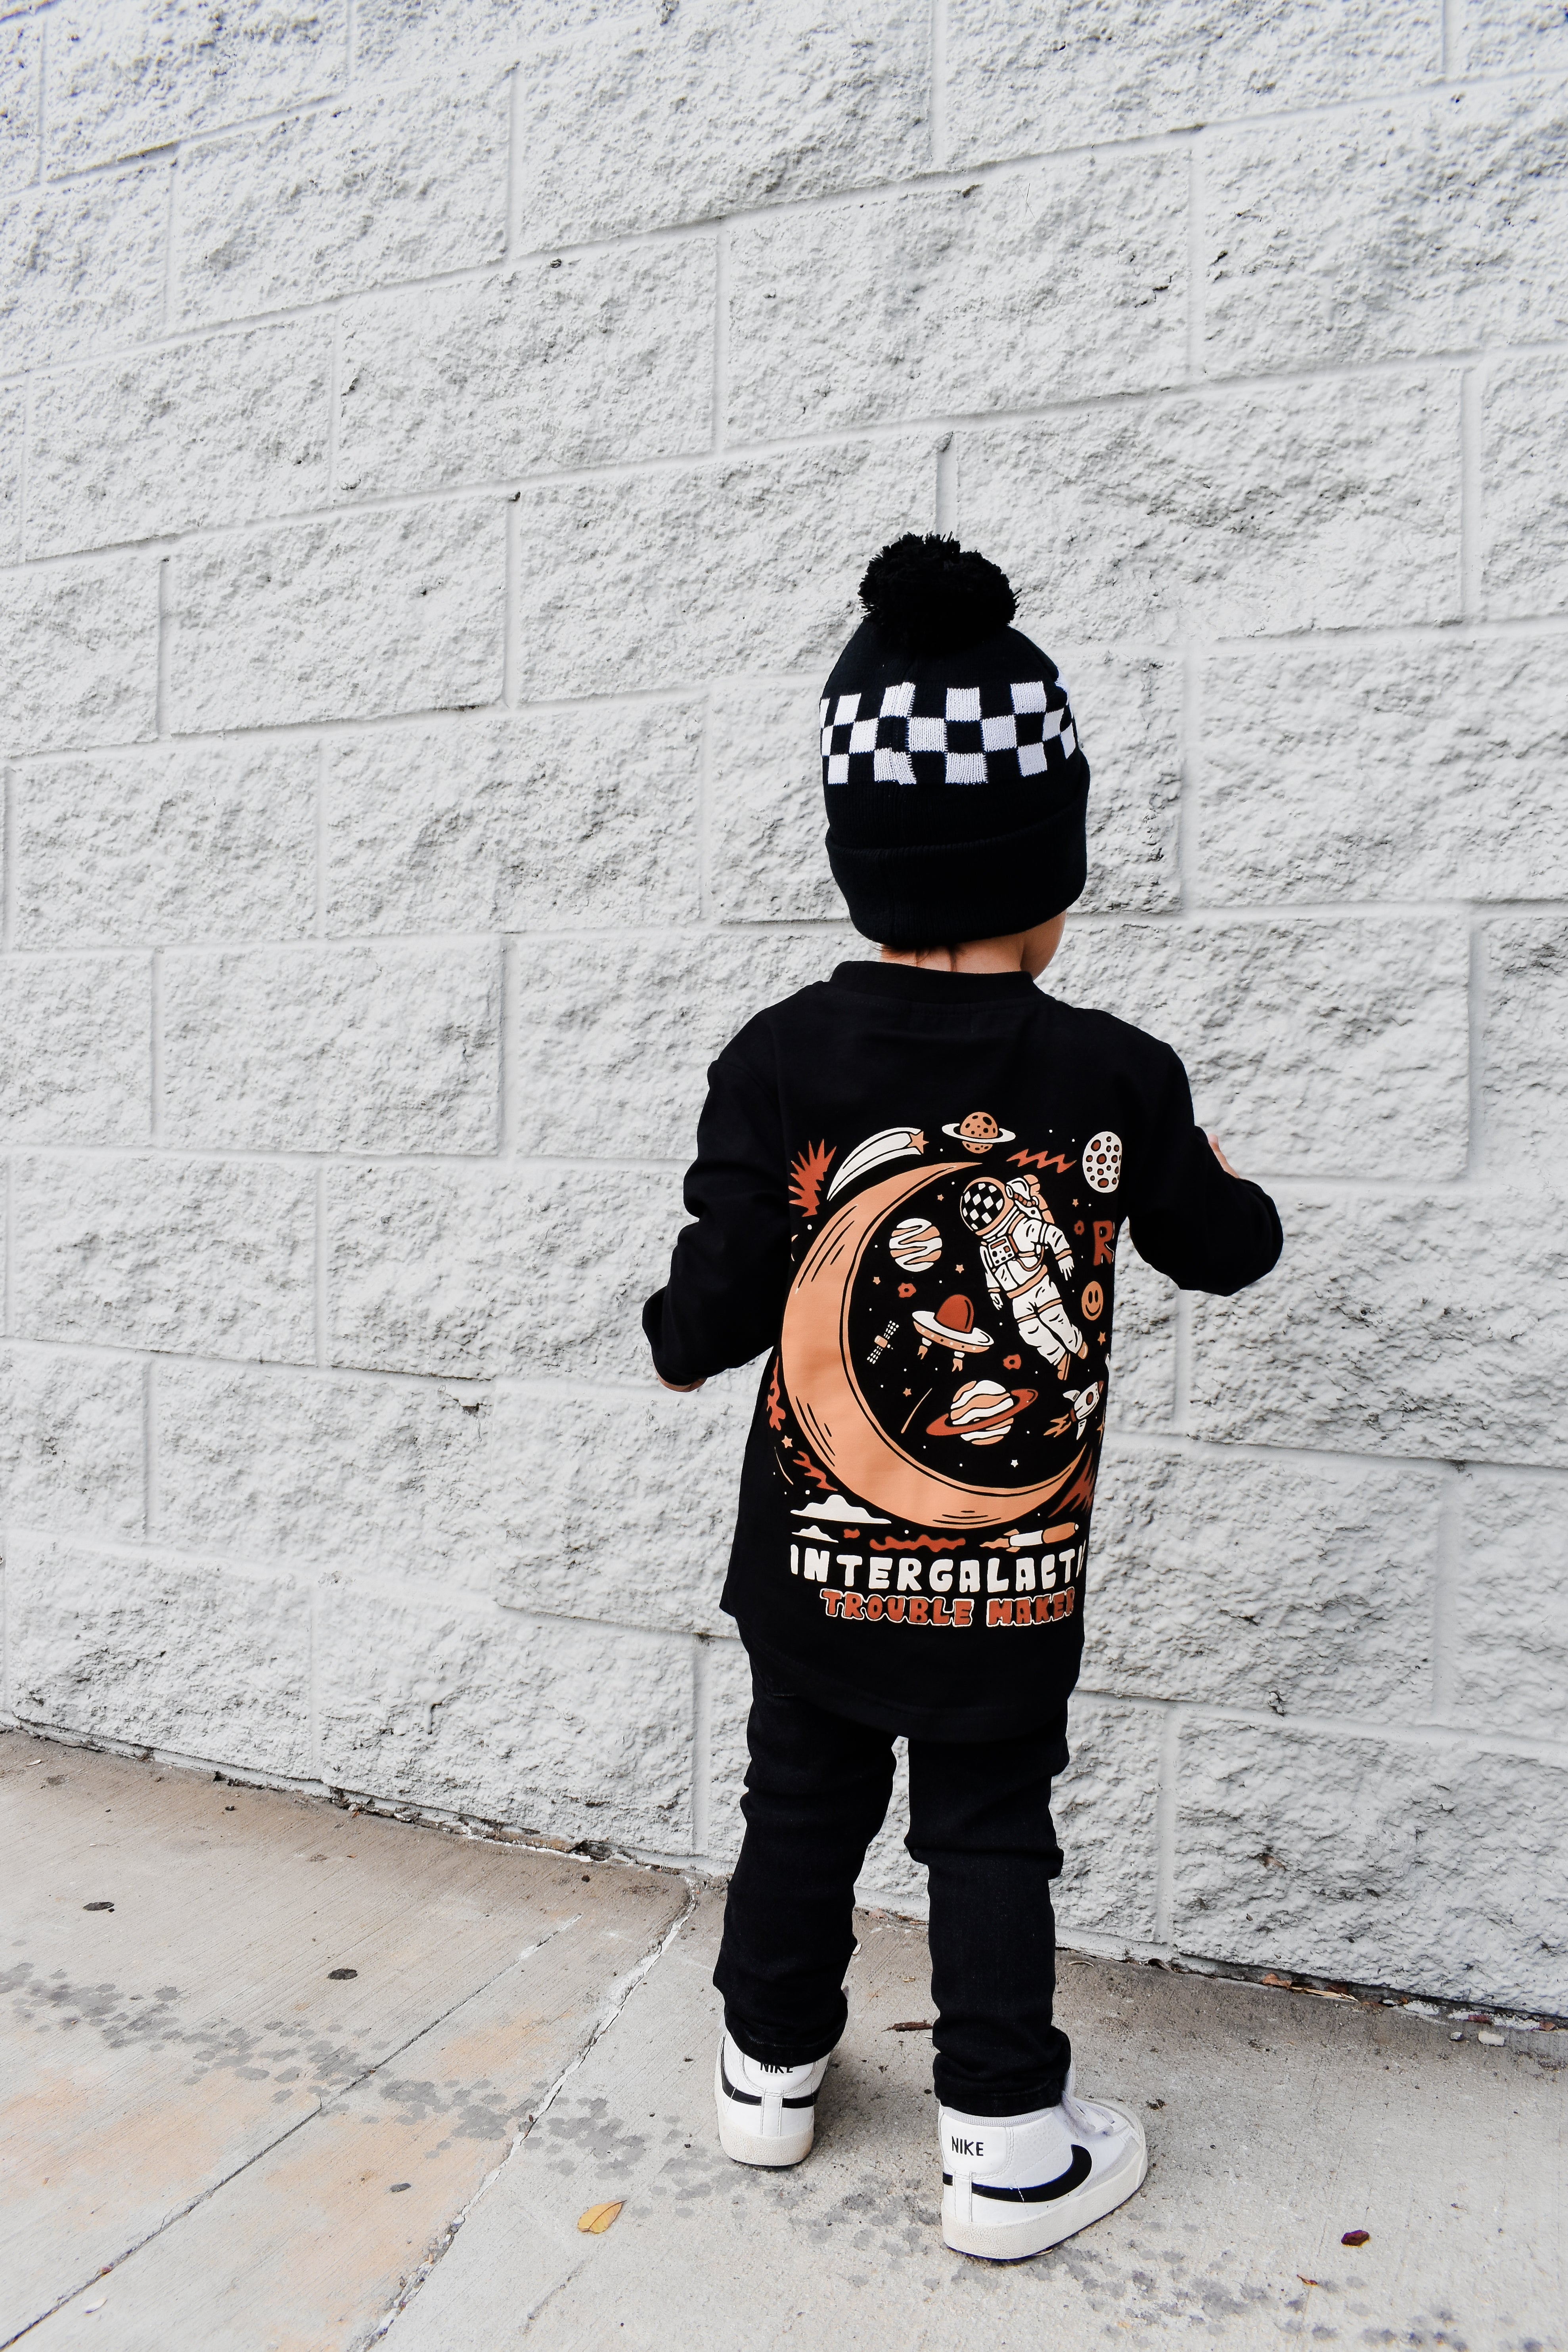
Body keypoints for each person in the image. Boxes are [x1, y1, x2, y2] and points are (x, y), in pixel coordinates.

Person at [642, 534, 1282, 2262]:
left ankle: (768, 2070)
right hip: (1004, 1578)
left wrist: (674, 1334)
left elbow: (720, 1286)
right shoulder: (1115, 1073)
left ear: (858, 858)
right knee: (988, 1829)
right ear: (1050, 863)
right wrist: (1223, 1180)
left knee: (800, 1800)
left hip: (813, 1564)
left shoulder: (778, 1055)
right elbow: (1224, 1251)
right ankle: (1003, 2141)